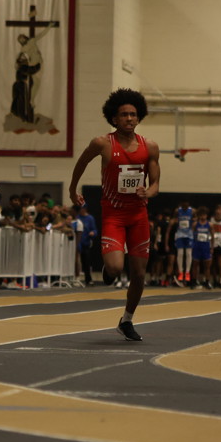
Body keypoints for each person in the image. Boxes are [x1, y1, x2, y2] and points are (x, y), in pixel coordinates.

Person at [69, 88, 161, 341]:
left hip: (138, 216)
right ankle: (109, 273)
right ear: (114, 118)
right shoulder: (102, 143)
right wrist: (72, 189)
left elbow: (155, 184)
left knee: (139, 274)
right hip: (114, 216)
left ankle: (127, 320)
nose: (129, 118)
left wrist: (148, 192)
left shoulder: (150, 147)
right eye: (124, 114)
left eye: (133, 114)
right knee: (115, 267)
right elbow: (82, 162)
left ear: (139, 117)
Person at [168, 199, 193, 286]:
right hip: (180, 234)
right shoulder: (177, 211)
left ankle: (187, 272)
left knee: (188, 253)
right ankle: (181, 272)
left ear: (188, 204)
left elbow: (195, 218)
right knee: (180, 253)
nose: (184, 207)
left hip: (189, 235)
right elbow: (174, 218)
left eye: (186, 206)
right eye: (183, 206)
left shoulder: (192, 211)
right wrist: (174, 220)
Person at [190, 206, 213, 288]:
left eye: (204, 215)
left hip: (206, 246)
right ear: (199, 215)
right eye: (201, 215)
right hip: (197, 246)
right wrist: (192, 246)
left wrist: (212, 248)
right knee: (195, 265)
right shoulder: (195, 224)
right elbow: (191, 236)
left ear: (206, 215)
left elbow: (212, 237)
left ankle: (207, 281)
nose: (203, 217)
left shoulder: (210, 224)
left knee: (207, 266)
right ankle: (193, 281)